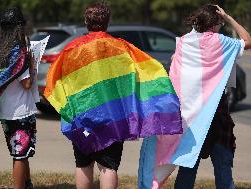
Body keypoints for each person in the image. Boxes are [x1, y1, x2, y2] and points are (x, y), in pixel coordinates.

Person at [44, 2, 182, 189]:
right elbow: (148, 69)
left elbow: (54, 81)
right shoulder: (121, 47)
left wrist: (66, 107)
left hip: (81, 118)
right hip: (113, 119)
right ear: (108, 21)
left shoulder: (72, 49)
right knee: (108, 166)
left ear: (86, 21)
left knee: (83, 163)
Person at [174, 4, 251, 189]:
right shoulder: (220, 41)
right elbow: (247, 40)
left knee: (187, 168)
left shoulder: (184, 42)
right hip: (217, 113)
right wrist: (228, 17)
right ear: (216, 23)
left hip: (192, 117)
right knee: (223, 169)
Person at [0, 7, 38, 189]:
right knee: (20, 156)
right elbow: (27, 84)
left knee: (20, 151)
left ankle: (28, 183)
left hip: (4, 111)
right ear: (19, 27)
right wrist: (32, 65)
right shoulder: (19, 51)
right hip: (21, 112)